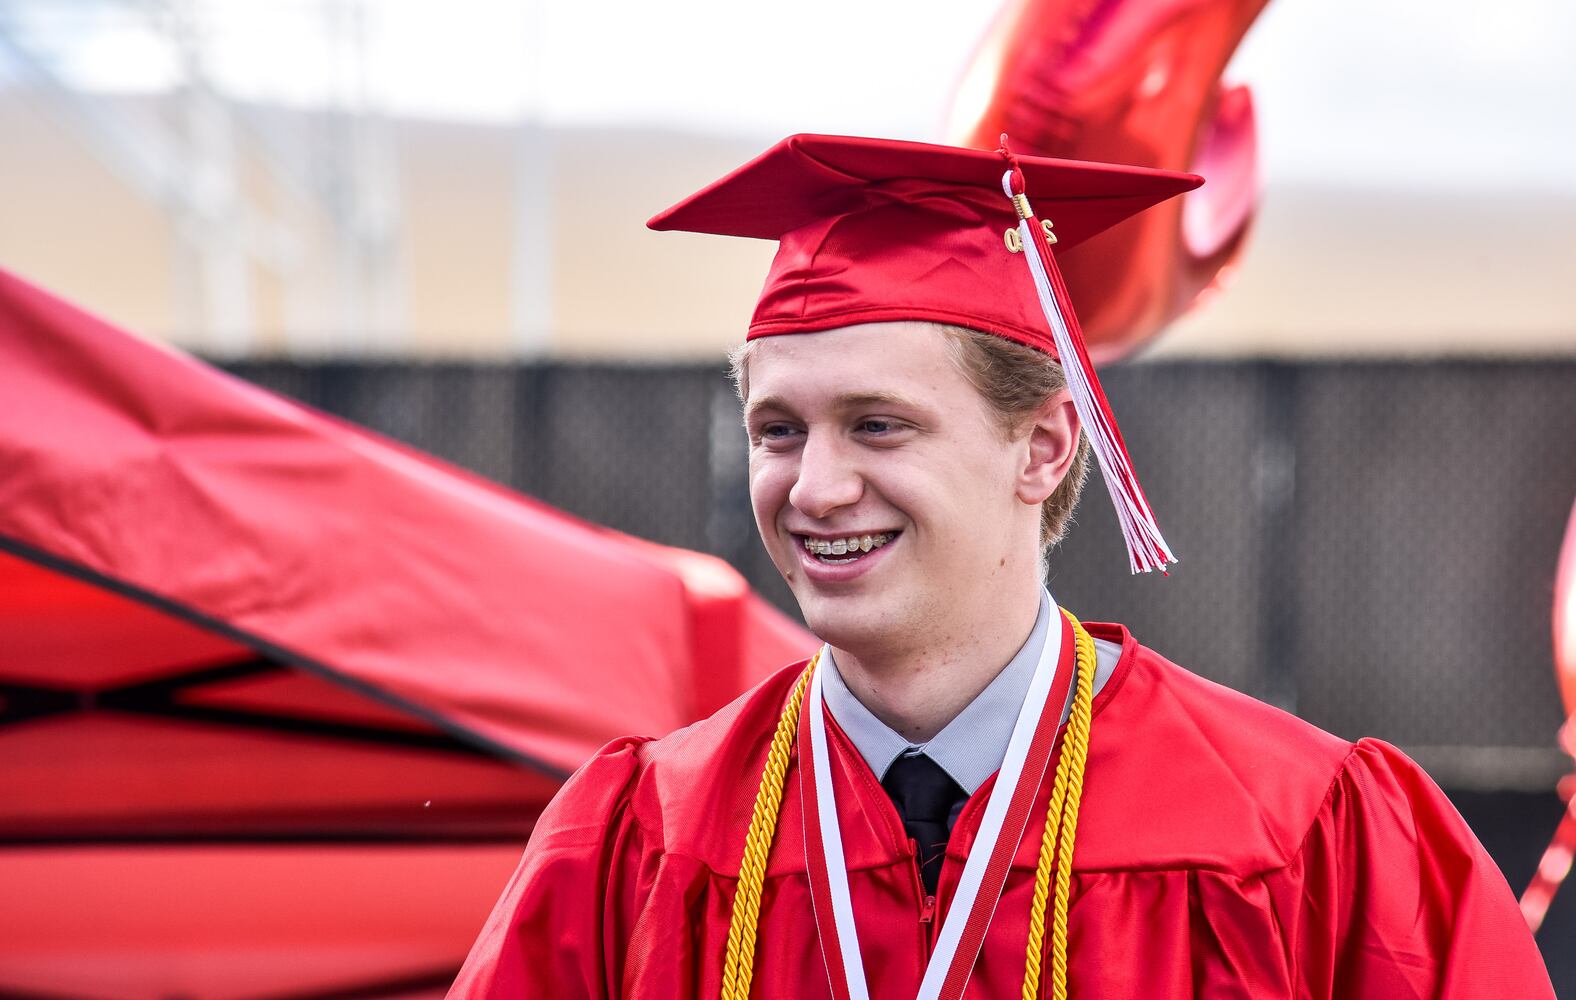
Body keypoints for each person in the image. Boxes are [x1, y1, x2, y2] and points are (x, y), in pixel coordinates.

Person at [449, 134, 1553, 998]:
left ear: (1042, 448)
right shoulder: (643, 844)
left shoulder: (1305, 834)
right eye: (777, 430)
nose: (815, 485)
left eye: (877, 425)